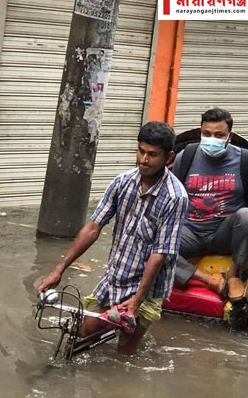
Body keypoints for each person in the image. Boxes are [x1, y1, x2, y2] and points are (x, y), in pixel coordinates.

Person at [37, 122, 188, 354]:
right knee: (85, 331)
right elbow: (93, 227)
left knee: (125, 350)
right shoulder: (122, 182)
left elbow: (159, 254)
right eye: (141, 151)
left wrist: (137, 302)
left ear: (169, 158)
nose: (144, 160)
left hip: (147, 288)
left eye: (152, 155)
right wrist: (59, 268)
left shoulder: (175, 198)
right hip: (115, 278)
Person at [172, 108, 248, 300]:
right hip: (190, 233)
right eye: (206, 134)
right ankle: (208, 280)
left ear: (229, 136)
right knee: (148, 241)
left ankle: (234, 275)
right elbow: (169, 195)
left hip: (225, 235)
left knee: (247, 216)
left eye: (219, 135)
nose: (212, 139)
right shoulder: (185, 157)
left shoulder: (246, 160)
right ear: (201, 132)